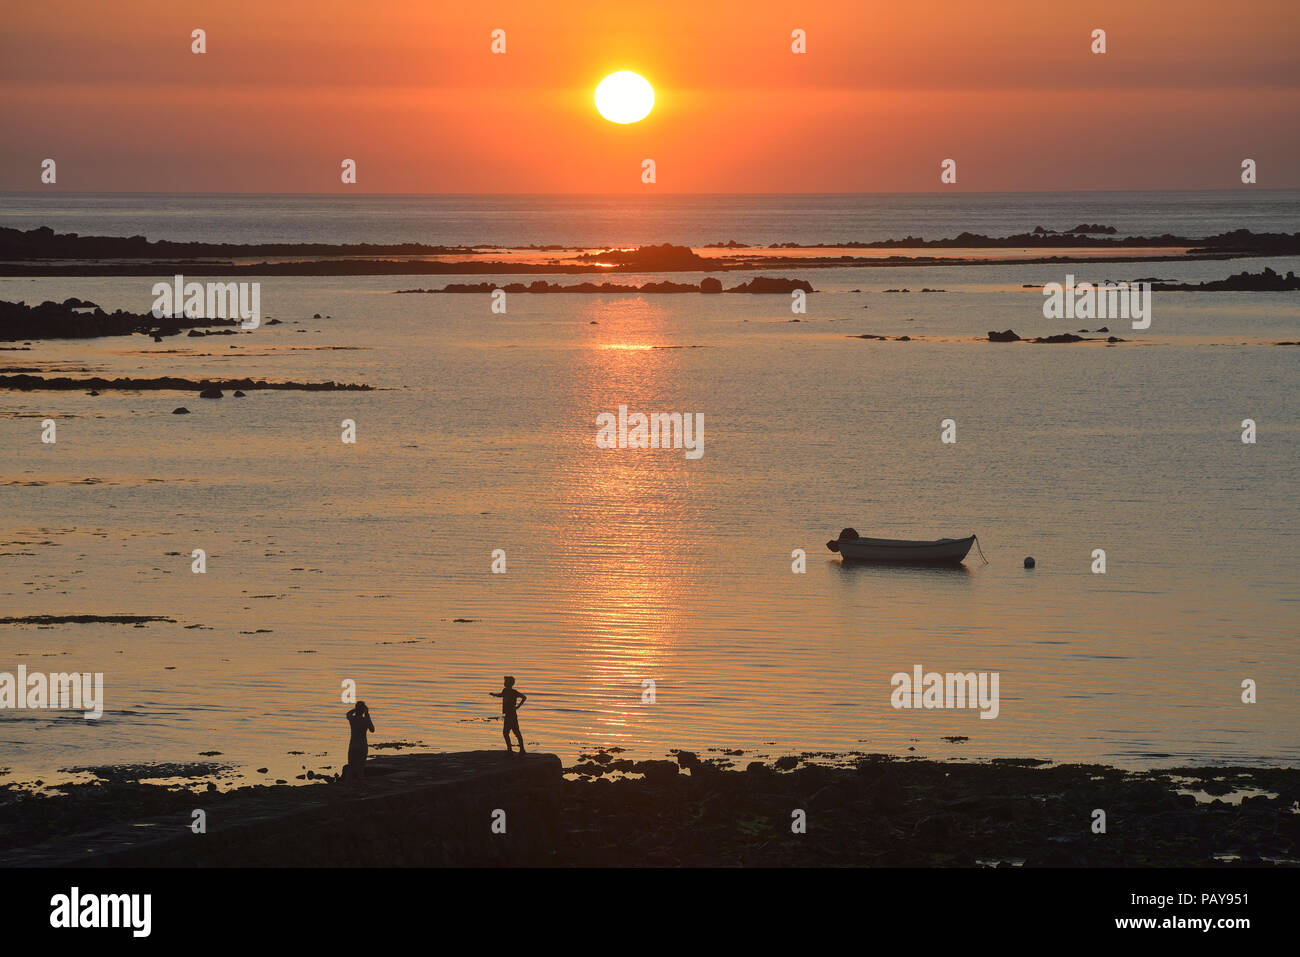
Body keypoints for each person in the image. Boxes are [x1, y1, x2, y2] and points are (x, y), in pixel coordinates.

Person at [489, 676, 527, 753]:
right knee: (515, 732)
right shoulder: (508, 691)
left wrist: (518, 706)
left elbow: (524, 697)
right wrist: (494, 695)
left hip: (510, 715)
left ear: (508, 683)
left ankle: (511, 750)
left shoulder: (510, 691)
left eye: (505, 682)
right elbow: (501, 695)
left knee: (507, 733)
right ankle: (520, 749)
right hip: (511, 714)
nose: (504, 683)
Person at [345, 701, 375, 780]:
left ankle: (348, 786)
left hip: (353, 745)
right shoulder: (366, 720)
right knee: (361, 768)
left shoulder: (352, 719)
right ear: (363, 710)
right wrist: (367, 714)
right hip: (362, 745)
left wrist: (355, 710)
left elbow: (348, 714)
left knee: (351, 768)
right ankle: (360, 785)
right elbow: (372, 730)